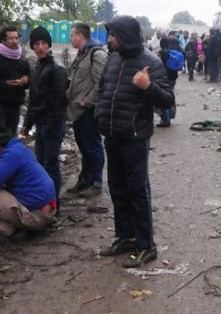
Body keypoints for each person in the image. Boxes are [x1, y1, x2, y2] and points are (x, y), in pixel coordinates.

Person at [95, 15, 174, 268]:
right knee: (116, 188)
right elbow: (103, 89)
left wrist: (147, 86)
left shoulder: (151, 63)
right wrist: (99, 114)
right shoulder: (113, 58)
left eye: (113, 34)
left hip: (135, 137)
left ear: (125, 36)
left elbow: (167, 101)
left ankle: (146, 245)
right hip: (111, 135)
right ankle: (126, 237)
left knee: (137, 191)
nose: (109, 39)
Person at [21, 26, 68, 205]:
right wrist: (27, 123)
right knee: (40, 163)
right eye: (36, 44)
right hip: (40, 123)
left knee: (50, 164)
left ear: (49, 45)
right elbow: (34, 98)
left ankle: (54, 204)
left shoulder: (57, 68)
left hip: (52, 124)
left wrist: (51, 124)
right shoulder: (37, 67)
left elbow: (60, 100)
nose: (40, 47)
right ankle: (43, 201)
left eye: (43, 43)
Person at [65, 23, 108, 198]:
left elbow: (101, 83)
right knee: (84, 146)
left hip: (87, 110)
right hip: (77, 110)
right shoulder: (83, 54)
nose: (70, 38)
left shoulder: (97, 54)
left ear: (80, 36)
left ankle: (96, 182)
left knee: (93, 146)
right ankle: (85, 179)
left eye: (72, 35)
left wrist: (87, 102)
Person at [157, 38, 178, 127]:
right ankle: (170, 115)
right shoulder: (172, 52)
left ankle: (166, 120)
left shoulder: (160, 53)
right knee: (170, 97)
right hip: (173, 76)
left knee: (163, 99)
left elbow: (158, 65)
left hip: (164, 77)